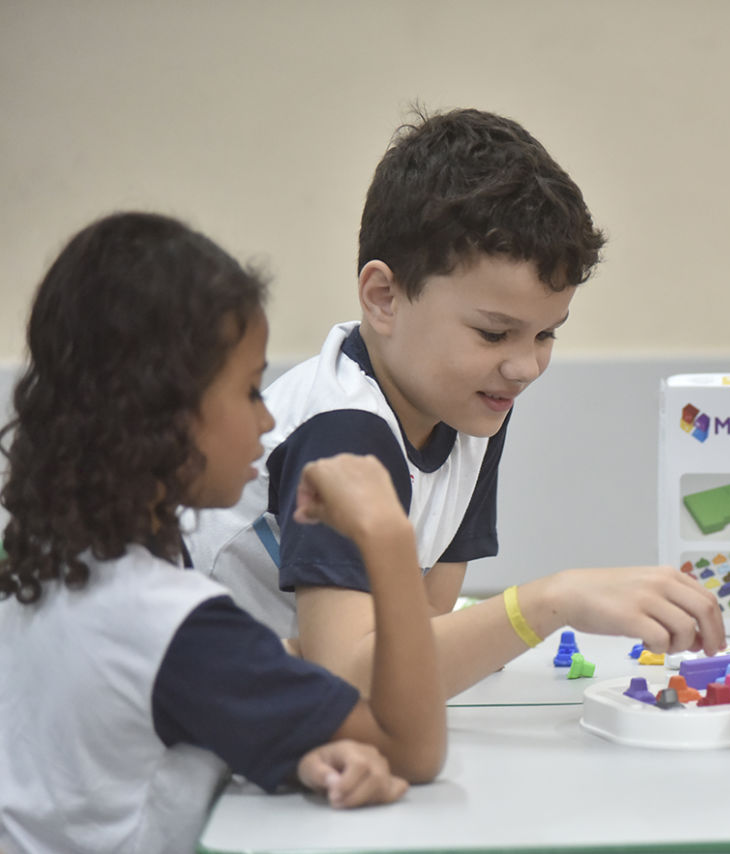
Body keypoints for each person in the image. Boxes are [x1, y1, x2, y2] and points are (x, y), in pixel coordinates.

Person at [188, 107, 725, 698]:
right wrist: (550, 601)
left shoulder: (472, 407)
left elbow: (422, 628)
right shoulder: (343, 431)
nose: (525, 368)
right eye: (494, 333)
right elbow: (350, 675)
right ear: (384, 298)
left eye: (546, 334)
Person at [0, 213, 446, 854]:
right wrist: (388, 539)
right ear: (166, 416)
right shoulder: (175, 627)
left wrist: (293, 753)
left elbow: (147, 730)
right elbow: (415, 749)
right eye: (248, 390)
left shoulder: (55, 557)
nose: (267, 421)